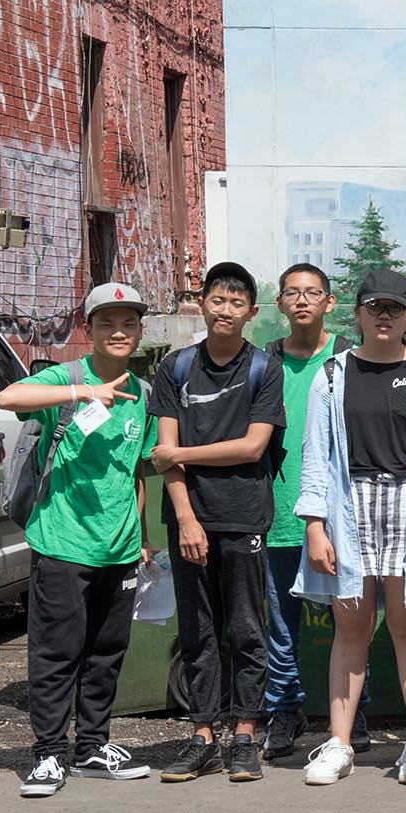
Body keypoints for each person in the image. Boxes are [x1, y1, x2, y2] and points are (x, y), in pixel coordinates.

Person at [295, 271, 406, 789]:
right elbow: (315, 454)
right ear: (357, 313)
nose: (385, 316)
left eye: (395, 308)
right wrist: (315, 526)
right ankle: (339, 744)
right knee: (351, 628)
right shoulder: (332, 375)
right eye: (374, 306)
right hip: (348, 507)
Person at [4, 283, 154, 795]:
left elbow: (133, 472)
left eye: (128, 323)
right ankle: (48, 754)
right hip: (62, 543)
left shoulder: (145, 394)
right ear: (88, 330)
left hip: (120, 548)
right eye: (107, 322)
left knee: (107, 653)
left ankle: (92, 747)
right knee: (55, 652)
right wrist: (82, 393)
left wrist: (141, 536)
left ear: (140, 331)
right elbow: (9, 396)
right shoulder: (66, 378)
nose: (119, 332)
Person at [148, 261, 287, 783]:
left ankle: (245, 735)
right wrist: (185, 518)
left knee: (248, 628)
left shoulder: (261, 369)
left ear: (251, 313)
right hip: (190, 518)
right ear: (201, 304)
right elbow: (164, 456)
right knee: (199, 631)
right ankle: (203, 734)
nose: (225, 310)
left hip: (245, 514)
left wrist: (182, 451)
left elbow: (254, 446)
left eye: (237, 303)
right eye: (217, 300)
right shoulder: (176, 367)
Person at [258, 264, 345, 761]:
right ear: (280, 304)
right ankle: (284, 710)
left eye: (312, 293)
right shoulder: (264, 361)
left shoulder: (345, 360)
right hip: (277, 512)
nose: (302, 300)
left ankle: (352, 712)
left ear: (329, 302)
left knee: (346, 621)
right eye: (292, 292)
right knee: (281, 624)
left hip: (337, 517)